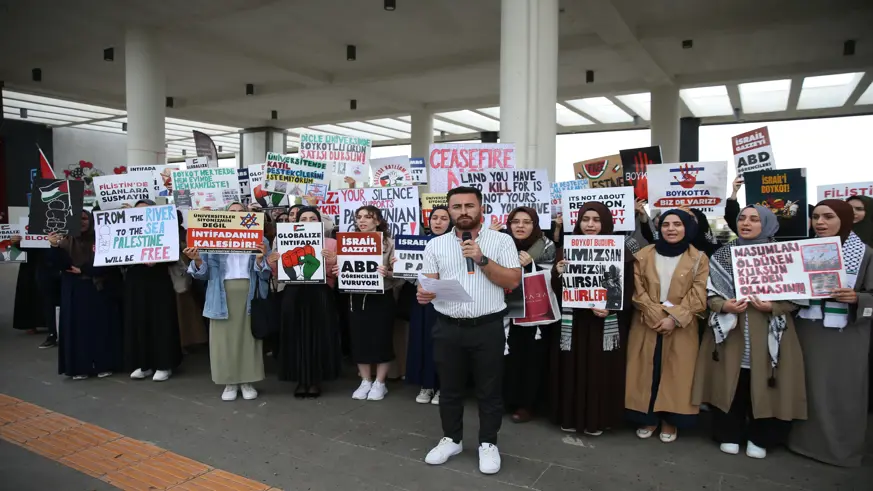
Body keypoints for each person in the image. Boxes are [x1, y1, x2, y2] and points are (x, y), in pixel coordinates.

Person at [418, 186, 521, 475]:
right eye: (456, 206)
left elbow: (513, 280)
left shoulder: (501, 241)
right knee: (449, 389)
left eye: (469, 206)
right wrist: (423, 293)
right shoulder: (435, 245)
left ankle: (488, 443)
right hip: (448, 327)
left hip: (487, 327)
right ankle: (452, 439)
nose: (463, 211)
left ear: (481, 208)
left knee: (489, 390)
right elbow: (428, 282)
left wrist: (481, 259)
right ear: (448, 210)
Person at [692, 205, 806, 459]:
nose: (746, 223)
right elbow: (710, 295)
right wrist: (724, 305)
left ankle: (760, 436)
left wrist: (773, 306)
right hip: (730, 332)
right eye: (742, 218)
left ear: (767, 224)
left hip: (770, 333)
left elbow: (798, 297)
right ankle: (728, 433)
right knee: (731, 383)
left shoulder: (784, 255)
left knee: (765, 384)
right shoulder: (723, 255)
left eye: (754, 219)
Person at [788, 199, 873, 467]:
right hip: (807, 330)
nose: (820, 222)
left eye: (828, 217)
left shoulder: (867, 254)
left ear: (845, 220)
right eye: (816, 217)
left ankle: (839, 450)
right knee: (804, 385)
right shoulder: (800, 250)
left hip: (845, 335)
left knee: (841, 390)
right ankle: (798, 441)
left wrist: (857, 297)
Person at [550, 202, 635, 435]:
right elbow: (557, 292)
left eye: (596, 220)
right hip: (574, 324)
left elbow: (629, 291)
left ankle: (598, 418)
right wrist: (557, 274)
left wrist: (612, 308)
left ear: (606, 222)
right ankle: (570, 416)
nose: (590, 225)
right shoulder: (566, 249)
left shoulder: (623, 253)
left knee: (600, 373)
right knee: (572, 370)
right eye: (585, 219)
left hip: (603, 324)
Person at [626, 209, 708, 442]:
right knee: (645, 371)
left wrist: (673, 318)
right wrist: (653, 313)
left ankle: (670, 420)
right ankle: (648, 417)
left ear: (687, 228)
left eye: (677, 224)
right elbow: (636, 288)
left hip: (681, 324)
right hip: (647, 321)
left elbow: (699, 294)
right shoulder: (644, 254)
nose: (671, 229)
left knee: (675, 373)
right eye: (665, 224)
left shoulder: (699, 258)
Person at [184, 202, 270, 401]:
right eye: (232, 212)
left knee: (248, 340)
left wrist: (259, 260)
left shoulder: (260, 239)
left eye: (241, 212)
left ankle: (247, 381)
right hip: (220, 296)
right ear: (225, 216)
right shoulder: (211, 237)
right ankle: (230, 382)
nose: (237, 215)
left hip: (248, 295)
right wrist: (197, 259)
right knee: (223, 341)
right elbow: (202, 275)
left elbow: (266, 275)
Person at [270, 206, 342, 398]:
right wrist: (273, 261)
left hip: (320, 292)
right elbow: (278, 274)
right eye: (304, 218)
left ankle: (316, 379)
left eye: (312, 218)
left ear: (319, 222)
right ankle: (300, 379)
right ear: (297, 221)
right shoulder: (285, 241)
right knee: (295, 336)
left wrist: (334, 261)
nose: (308, 221)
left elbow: (337, 273)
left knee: (318, 336)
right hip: (293, 293)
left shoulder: (331, 243)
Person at [48, 211, 123, 379]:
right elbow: (57, 264)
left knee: (102, 328)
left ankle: (104, 364)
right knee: (77, 329)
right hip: (74, 290)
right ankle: (80, 367)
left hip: (99, 288)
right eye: (77, 219)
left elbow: (109, 262)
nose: (81, 222)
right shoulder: (65, 241)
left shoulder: (102, 237)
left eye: (84, 218)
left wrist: (84, 270)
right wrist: (53, 246)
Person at [503, 206, 557, 423]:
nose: (521, 226)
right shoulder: (501, 244)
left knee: (531, 358)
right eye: (516, 222)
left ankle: (527, 404)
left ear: (535, 225)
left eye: (527, 222)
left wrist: (531, 265)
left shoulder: (547, 246)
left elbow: (554, 277)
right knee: (508, 356)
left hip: (535, 314)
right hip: (506, 311)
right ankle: (507, 398)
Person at [339, 205, 397, 402]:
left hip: (381, 297)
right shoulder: (346, 242)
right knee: (359, 338)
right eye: (359, 217)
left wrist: (388, 273)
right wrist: (339, 272)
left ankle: (380, 383)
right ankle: (365, 380)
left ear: (377, 221)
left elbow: (401, 276)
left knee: (381, 339)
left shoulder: (389, 244)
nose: (362, 220)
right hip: (355, 297)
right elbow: (342, 268)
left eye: (368, 217)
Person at [124, 200, 183, 382]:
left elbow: (174, 255)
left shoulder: (165, 229)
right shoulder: (127, 229)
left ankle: (164, 364)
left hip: (158, 280)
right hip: (136, 281)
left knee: (161, 322)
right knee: (139, 321)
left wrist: (159, 259)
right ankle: (144, 363)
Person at [406, 206, 453, 404]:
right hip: (424, 301)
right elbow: (409, 277)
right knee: (424, 341)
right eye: (435, 218)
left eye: (444, 218)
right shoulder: (416, 243)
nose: (438, 222)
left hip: (447, 301)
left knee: (445, 345)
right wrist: (400, 265)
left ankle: (444, 386)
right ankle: (427, 385)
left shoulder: (455, 245)